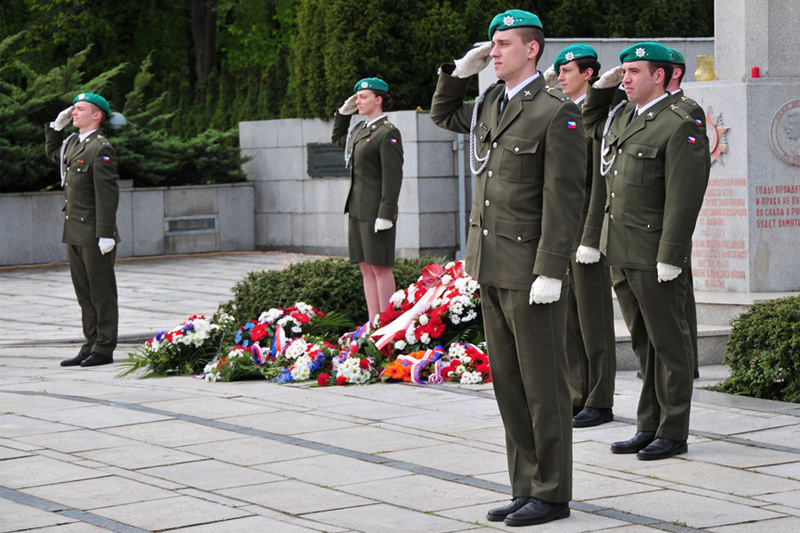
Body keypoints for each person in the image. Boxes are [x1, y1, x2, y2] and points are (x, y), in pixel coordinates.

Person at [431, 9, 586, 526]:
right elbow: (441, 114)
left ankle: (553, 492)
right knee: (509, 385)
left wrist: (551, 268)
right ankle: (525, 486)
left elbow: (565, 198)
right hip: (491, 264)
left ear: (532, 49)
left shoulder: (555, 111)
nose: (493, 52)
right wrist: (458, 71)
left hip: (530, 271)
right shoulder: (490, 103)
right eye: (491, 46)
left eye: (502, 45)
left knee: (544, 388)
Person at [582, 42, 709, 460]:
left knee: (670, 344)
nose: (625, 78)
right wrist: (600, 89)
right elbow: (587, 123)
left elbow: (684, 196)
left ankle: (674, 430)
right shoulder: (621, 115)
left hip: (655, 254)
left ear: (661, 76)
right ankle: (648, 423)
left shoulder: (680, 119)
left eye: (634, 71)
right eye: (623, 72)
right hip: (621, 248)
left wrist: (672, 255)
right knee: (643, 344)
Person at [545, 45, 618, 428]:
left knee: (593, 318)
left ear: (588, 74)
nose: (560, 76)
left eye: (567, 70)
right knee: (568, 317)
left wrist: (590, 236)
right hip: (561, 227)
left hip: (587, 228)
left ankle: (601, 399)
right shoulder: (560, 110)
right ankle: (577, 393)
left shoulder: (602, 113)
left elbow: (599, 182)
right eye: (559, 70)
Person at [45, 93, 120, 367]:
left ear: (96, 115)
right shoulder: (75, 143)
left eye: (80, 109)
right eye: (74, 109)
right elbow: (54, 154)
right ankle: (89, 344)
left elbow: (107, 196)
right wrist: (56, 127)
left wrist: (106, 233)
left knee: (101, 293)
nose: (73, 113)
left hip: (93, 234)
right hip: (74, 231)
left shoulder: (100, 148)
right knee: (84, 294)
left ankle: (104, 347)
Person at [331, 78, 404, 322]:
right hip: (356, 208)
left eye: (363, 97)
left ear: (378, 99)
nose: (358, 101)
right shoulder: (360, 130)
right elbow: (337, 138)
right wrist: (343, 113)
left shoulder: (387, 133)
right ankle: (373, 321)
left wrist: (386, 213)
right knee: (365, 266)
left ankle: (388, 323)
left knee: (380, 267)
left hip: (375, 212)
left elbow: (393, 177)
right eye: (356, 98)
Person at [668, 47, 711, 380]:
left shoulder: (687, 109)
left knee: (680, 292)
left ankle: (688, 360)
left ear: (674, 73)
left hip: (672, 215)